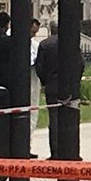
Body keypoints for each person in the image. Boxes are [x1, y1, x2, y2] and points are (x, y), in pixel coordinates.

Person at [34, 22, 61, 158]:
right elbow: (80, 63)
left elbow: (39, 66)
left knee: (54, 119)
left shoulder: (44, 44)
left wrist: (45, 81)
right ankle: (69, 151)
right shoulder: (70, 43)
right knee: (70, 117)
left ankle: (55, 152)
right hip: (67, 86)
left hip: (51, 85)